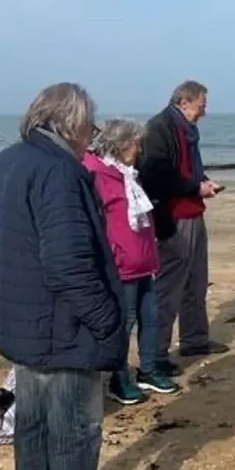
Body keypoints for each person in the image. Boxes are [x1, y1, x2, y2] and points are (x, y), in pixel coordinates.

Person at [0, 82, 132, 470]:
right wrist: (108, 320)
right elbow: (68, 264)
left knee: (34, 422)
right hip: (59, 324)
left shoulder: (7, 162)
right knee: (73, 427)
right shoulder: (58, 172)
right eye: (91, 125)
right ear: (71, 122)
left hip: (20, 318)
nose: (94, 134)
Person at [84, 118, 181, 402]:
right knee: (123, 323)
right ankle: (119, 376)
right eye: (137, 143)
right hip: (120, 265)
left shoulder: (130, 175)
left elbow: (141, 219)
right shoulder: (98, 175)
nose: (140, 149)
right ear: (123, 144)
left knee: (149, 318)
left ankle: (148, 370)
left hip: (143, 260)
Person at [138, 81, 228, 376]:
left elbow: (187, 169)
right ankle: (155, 357)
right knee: (168, 288)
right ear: (184, 101)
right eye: (202, 104)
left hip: (192, 211)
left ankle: (194, 339)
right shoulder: (160, 128)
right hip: (174, 216)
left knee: (196, 281)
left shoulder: (187, 129)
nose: (205, 110)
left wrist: (203, 183)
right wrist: (195, 187)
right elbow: (154, 176)